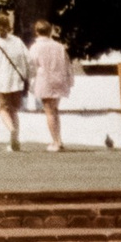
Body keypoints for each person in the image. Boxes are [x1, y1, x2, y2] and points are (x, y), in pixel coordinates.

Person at [0, 10, 33, 152]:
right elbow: (28, 59)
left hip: (1, 81)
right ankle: (15, 140)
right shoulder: (17, 41)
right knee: (14, 110)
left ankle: (11, 130)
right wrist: (27, 76)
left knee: (2, 108)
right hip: (17, 81)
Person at [28, 20, 74, 152]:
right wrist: (69, 81)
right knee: (55, 110)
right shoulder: (59, 46)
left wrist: (31, 82)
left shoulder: (35, 47)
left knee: (49, 111)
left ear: (36, 32)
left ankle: (56, 142)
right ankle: (58, 139)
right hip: (59, 79)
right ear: (50, 31)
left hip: (44, 80)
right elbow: (67, 64)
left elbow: (32, 66)